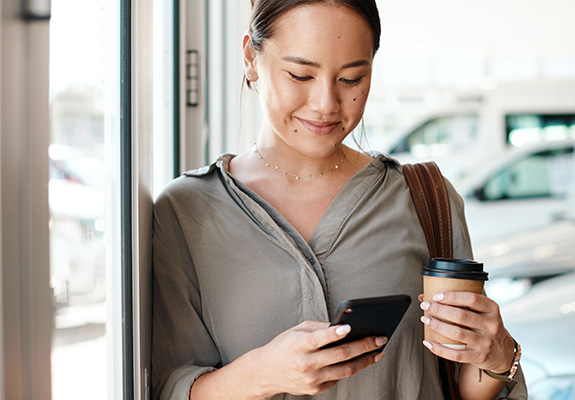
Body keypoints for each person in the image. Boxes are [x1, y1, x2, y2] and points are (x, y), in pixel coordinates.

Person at [151, 1, 527, 399]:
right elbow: (168, 388)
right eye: (300, 74)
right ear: (250, 57)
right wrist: (263, 373)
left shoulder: (426, 199)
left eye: (351, 79)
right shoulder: (185, 212)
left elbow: (466, 384)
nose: (326, 104)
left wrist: (499, 355)